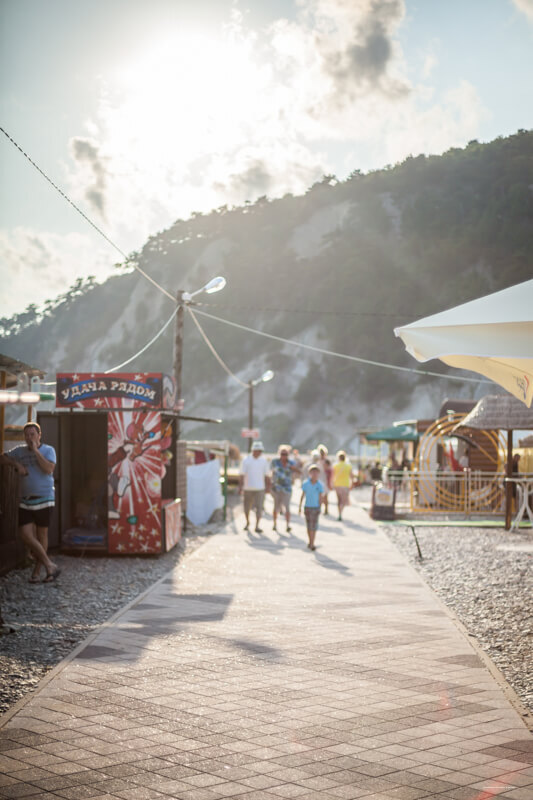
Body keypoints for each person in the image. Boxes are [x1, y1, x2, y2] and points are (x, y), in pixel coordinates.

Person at [1, 422, 60, 583]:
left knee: (42, 535)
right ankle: (49, 564)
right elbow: (2, 458)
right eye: (26, 435)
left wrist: (35, 451)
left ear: (39, 435)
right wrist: (15, 463)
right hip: (25, 500)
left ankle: (38, 570)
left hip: (45, 498)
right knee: (25, 535)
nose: (29, 438)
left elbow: (49, 469)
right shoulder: (19, 451)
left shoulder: (48, 450)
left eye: (32, 434)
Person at [239, 441, 271, 533]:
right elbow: (242, 474)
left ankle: (257, 525)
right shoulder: (246, 460)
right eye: (257, 450)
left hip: (260, 488)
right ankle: (247, 522)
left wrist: (268, 487)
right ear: (253, 450)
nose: (259, 452)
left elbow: (267, 475)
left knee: (259, 508)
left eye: (260, 451)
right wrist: (240, 487)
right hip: (247, 488)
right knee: (247, 507)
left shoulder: (264, 461)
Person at [270, 445, 298, 533]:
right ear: (279, 454)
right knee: (276, 507)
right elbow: (271, 472)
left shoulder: (291, 463)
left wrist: (293, 470)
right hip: (277, 488)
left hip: (287, 488)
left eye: (286, 454)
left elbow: (298, 471)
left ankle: (288, 525)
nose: (284, 456)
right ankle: (275, 524)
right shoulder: (275, 462)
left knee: (287, 508)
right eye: (282, 454)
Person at [298, 464, 325, 551]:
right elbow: (303, 495)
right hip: (307, 507)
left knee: (314, 526)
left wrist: (320, 507)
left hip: (315, 507)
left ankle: (312, 543)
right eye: (313, 472)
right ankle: (310, 541)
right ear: (310, 473)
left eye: (316, 472)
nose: (314, 474)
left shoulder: (320, 485)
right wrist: (300, 506)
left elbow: (321, 497)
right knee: (308, 525)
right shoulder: (306, 483)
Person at [332, 450, 354, 521]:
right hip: (345, 485)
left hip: (337, 484)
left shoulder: (335, 465)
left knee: (339, 500)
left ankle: (339, 513)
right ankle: (341, 512)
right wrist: (352, 484)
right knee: (343, 501)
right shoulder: (348, 466)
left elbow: (332, 475)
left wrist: (332, 483)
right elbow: (352, 476)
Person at [316, 444, 332, 514]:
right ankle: (319, 508)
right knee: (319, 495)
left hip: (325, 479)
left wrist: (329, 482)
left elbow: (330, 471)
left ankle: (326, 509)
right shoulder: (318, 460)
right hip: (319, 479)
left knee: (325, 496)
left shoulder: (327, 461)